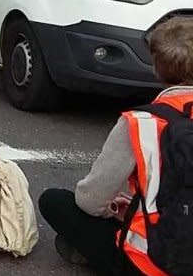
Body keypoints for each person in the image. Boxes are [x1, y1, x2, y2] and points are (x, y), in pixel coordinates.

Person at [38, 16, 193, 276]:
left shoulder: (142, 122)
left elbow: (91, 201)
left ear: (157, 67)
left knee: (54, 201)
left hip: (155, 262)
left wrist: (120, 210)